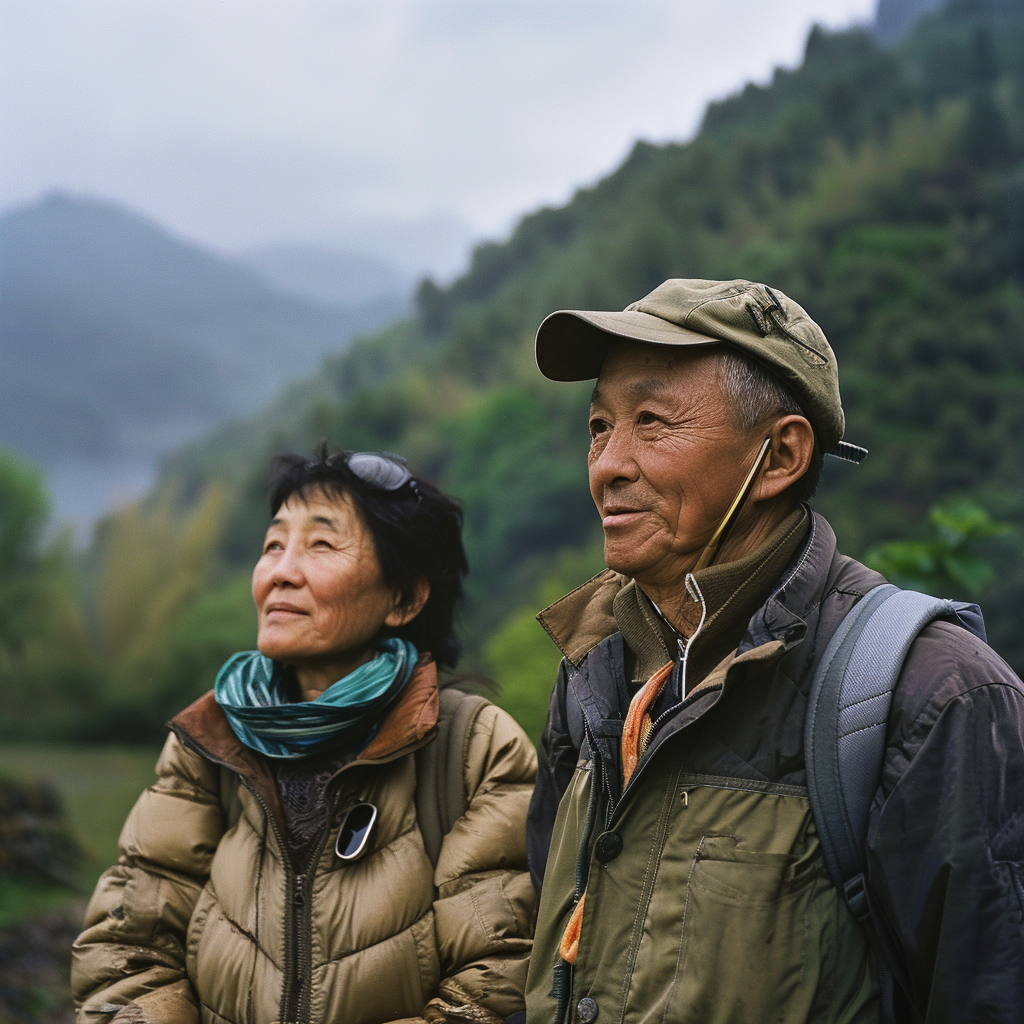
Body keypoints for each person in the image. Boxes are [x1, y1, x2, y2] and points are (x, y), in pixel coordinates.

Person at [523, 279, 1024, 1024]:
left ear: (781, 455)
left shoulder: (932, 694)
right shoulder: (598, 671)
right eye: (600, 426)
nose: (607, 465)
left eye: (652, 421)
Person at [72, 446, 538, 1024]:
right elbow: (126, 950)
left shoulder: (472, 748)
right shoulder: (209, 740)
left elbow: (498, 980)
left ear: (404, 598)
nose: (280, 572)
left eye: (320, 544)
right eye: (273, 545)